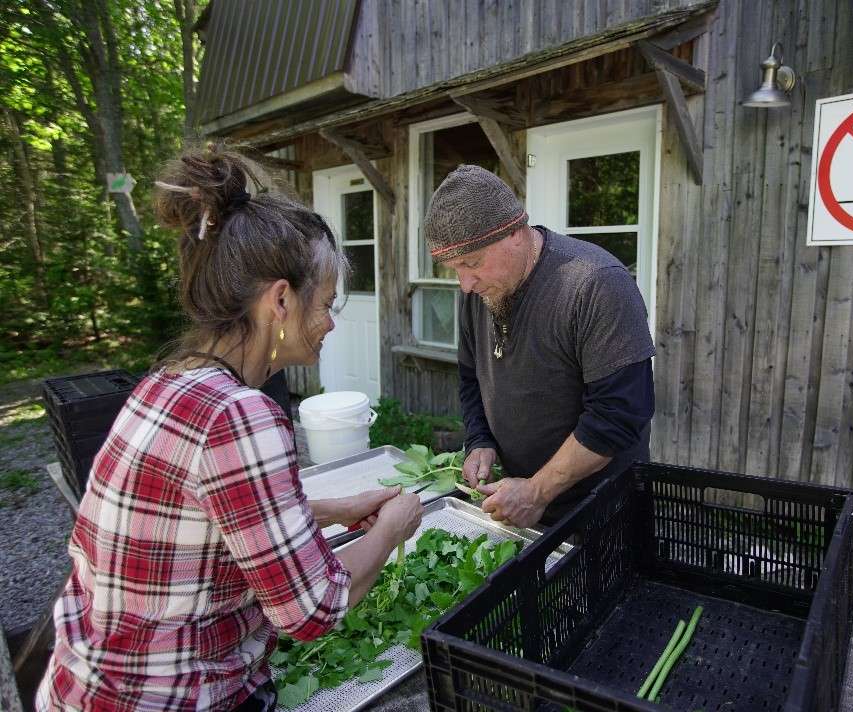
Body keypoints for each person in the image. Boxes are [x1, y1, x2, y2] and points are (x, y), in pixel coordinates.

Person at [36, 145, 423, 712]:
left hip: (84, 687)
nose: (332, 322)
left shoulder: (170, 382)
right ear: (281, 301)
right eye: (326, 303)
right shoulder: (240, 415)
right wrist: (389, 529)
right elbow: (312, 611)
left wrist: (336, 510)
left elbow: (204, 520)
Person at [423, 164, 655, 528]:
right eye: (455, 269)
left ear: (515, 232)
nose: (465, 284)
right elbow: (471, 376)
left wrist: (537, 492)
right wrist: (480, 439)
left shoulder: (597, 285)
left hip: (603, 509)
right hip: (520, 502)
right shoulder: (476, 293)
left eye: (472, 263)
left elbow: (618, 415)